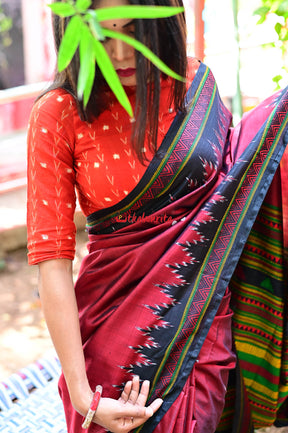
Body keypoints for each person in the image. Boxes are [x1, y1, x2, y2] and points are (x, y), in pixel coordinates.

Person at [26, 0, 288, 432]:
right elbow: (52, 264)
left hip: (201, 326)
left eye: (132, 31)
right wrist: (82, 393)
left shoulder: (194, 84)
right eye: (103, 36)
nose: (121, 53)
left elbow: (235, 191)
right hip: (111, 341)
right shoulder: (59, 114)